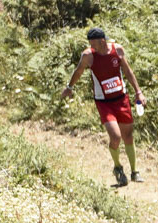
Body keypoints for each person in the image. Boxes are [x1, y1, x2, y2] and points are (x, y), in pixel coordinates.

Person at [61, 27, 145, 187]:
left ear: (102, 41)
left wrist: (138, 92)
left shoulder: (117, 50)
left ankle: (135, 172)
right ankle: (118, 168)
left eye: (92, 43)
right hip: (104, 103)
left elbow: (128, 71)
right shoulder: (88, 56)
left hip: (121, 99)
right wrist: (69, 87)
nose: (90, 46)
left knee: (128, 136)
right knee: (116, 136)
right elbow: (78, 71)